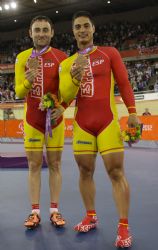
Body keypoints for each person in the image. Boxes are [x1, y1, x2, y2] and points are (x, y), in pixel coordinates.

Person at [59, 11, 139, 248]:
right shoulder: (66, 63)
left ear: (93, 29)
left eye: (85, 26)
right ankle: (90, 215)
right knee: (85, 171)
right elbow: (66, 96)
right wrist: (73, 79)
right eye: (77, 27)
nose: (82, 30)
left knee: (116, 172)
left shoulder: (109, 53)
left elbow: (124, 82)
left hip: (107, 121)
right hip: (82, 123)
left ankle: (123, 227)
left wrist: (133, 112)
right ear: (73, 32)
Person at [15, 15, 67, 229]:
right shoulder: (22, 57)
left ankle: (54, 211)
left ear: (52, 33)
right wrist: (30, 77)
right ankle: (34, 212)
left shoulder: (62, 57)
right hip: (32, 121)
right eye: (37, 30)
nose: (41, 34)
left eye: (45, 30)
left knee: (55, 164)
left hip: (55, 121)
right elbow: (19, 92)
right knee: (34, 165)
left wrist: (61, 106)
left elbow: (67, 91)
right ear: (30, 33)